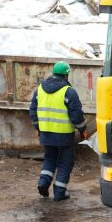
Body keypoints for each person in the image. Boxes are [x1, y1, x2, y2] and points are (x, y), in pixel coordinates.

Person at [29, 61, 87, 201]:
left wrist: (38, 128)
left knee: (50, 158)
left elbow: (33, 111)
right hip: (64, 136)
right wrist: (82, 129)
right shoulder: (69, 91)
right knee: (65, 162)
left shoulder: (40, 90)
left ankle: (43, 183)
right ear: (66, 75)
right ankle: (59, 192)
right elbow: (76, 115)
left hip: (46, 134)